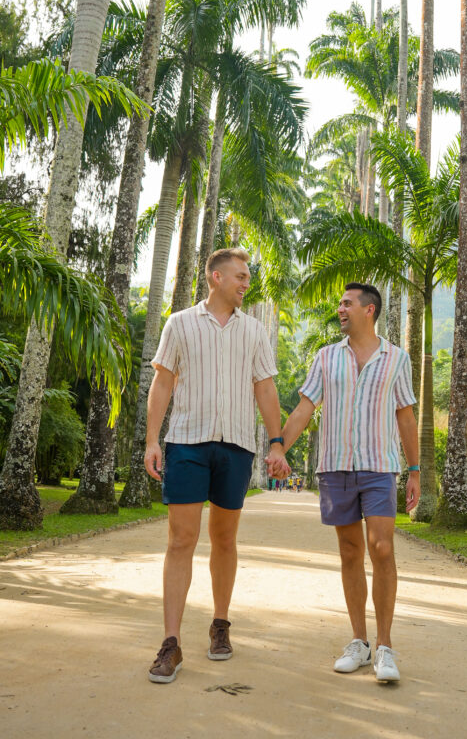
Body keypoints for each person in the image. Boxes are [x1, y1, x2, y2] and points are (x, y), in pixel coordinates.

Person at [144, 248, 289, 683]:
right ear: (215, 277)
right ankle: (171, 643)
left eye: (248, 277)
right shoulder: (180, 323)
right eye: (240, 276)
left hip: (238, 447)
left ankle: (220, 624)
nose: (247, 283)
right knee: (180, 540)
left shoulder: (255, 332)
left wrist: (277, 443)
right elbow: (163, 381)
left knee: (224, 539)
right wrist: (152, 439)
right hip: (186, 442)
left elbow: (265, 389)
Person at [269, 282, 420, 684]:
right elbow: (305, 407)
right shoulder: (325, 357)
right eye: (339, 303)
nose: (340, 308)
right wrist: (280, 447)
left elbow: (405, 416)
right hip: (335, 467)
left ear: (369, 310)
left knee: (382, 548)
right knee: (351, 553)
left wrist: (415, 470)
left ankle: (385, 646)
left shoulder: (396, 359)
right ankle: (360, 642)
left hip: (378, 466)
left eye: (347, 303)